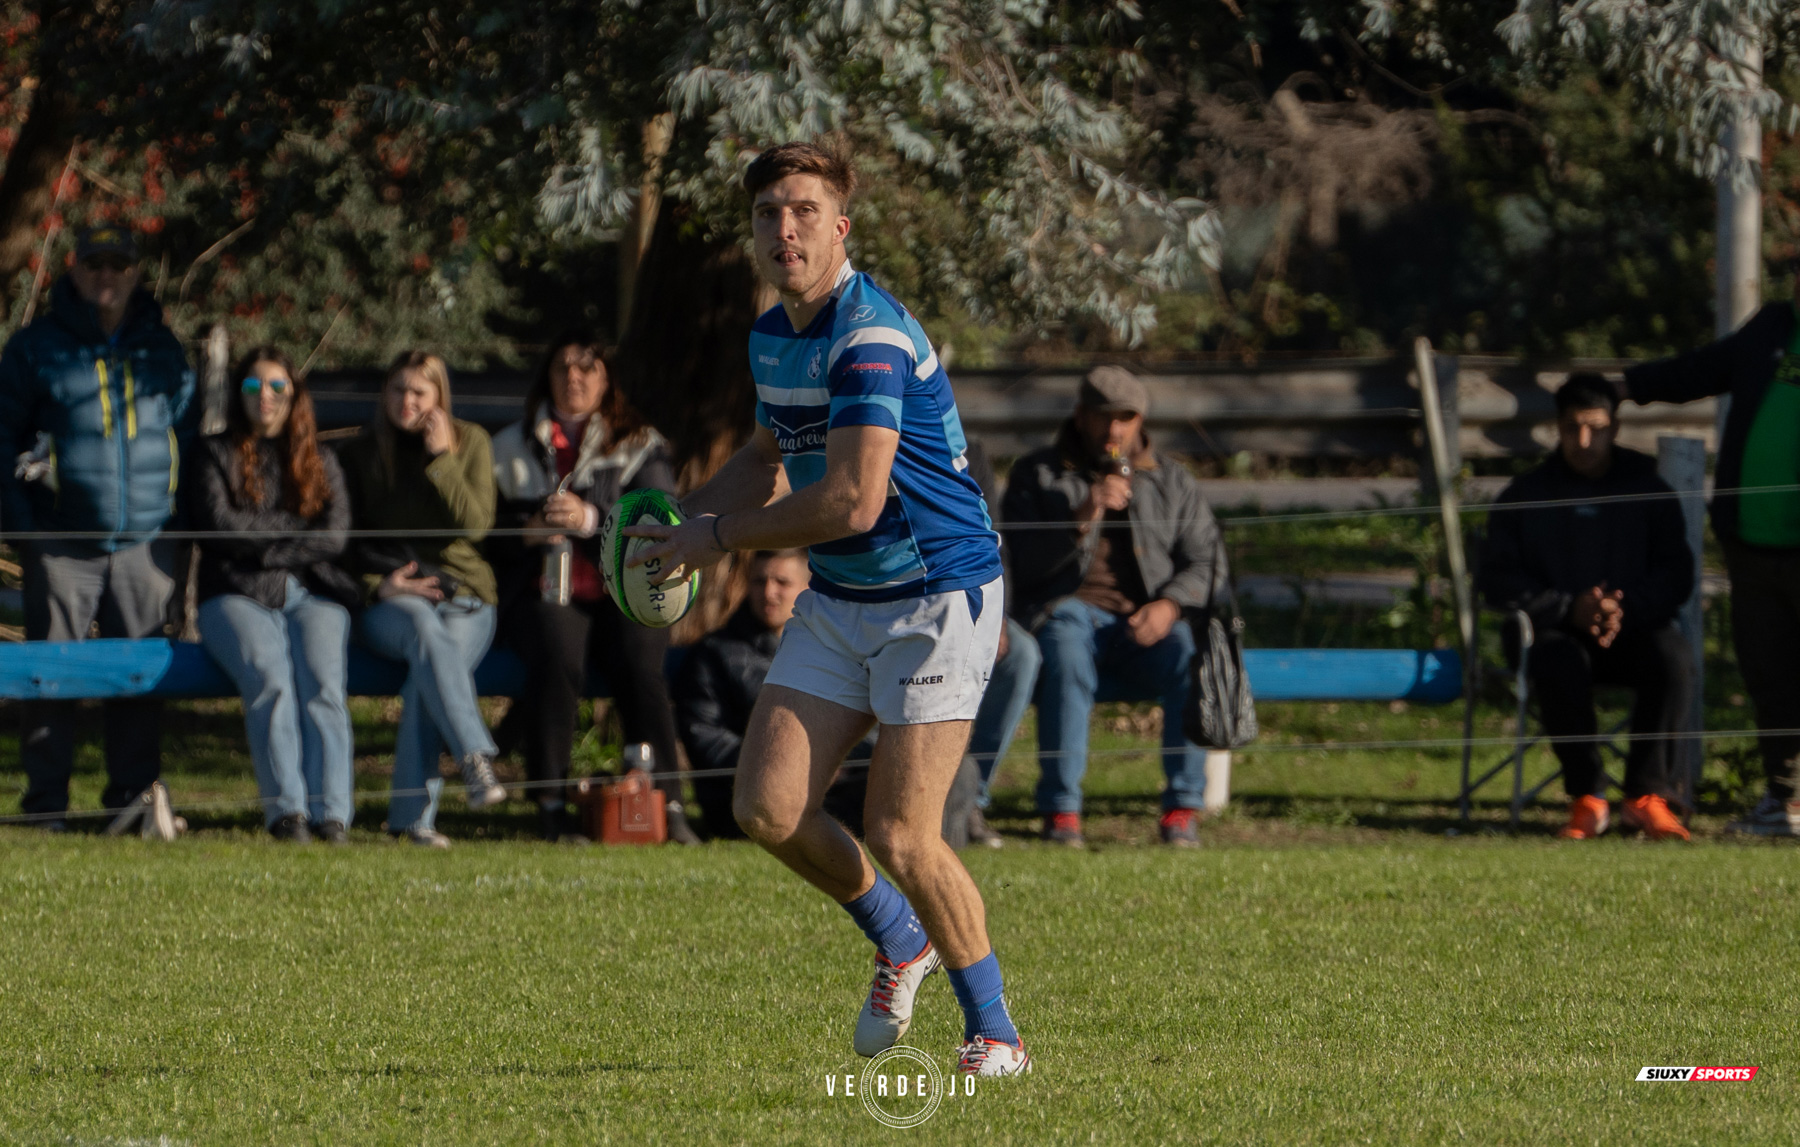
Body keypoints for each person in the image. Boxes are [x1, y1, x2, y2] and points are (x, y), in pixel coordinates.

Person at [624, 142, 1028, 1076]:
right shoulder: (776, 332)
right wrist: (678, 521)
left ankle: (996, 1031)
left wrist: (717, 541)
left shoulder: (870, 334)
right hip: (845, 595)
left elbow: (853, 500)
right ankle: (901, 941)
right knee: (764, 807)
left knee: (901, 831)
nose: (785, 228)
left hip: (936, 594)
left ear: (840, 226)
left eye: (804, 210)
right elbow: (772, 449)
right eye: (768, 213)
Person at [0, 226, 196, 830]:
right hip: (61, 541)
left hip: (145, 541)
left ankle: (132, 801)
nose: (106, 276)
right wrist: (26, 529)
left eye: (119, 265)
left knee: (137, 674)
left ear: (137, 272)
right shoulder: (36, 346)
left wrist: (177, 526)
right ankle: (46, 806)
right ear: (75, 269)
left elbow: (184, 438)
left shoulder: (162, 348)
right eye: (95, 265)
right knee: (49, 674)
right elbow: (2, 437)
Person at [1000, 365, 1228, 848]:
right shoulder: (1037, 474)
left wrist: (1170, 605)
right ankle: (1062, 811)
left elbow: (1209, 560)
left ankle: (1182, 809)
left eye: (1126, 418)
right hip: (1066, 611)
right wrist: (1084, 513)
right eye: (1105, 416)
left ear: (1141, 420)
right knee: (1065, 642)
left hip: (1144, 622)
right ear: (1081, 416)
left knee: (1190, 653)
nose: (1115, 430)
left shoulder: (1171, 481)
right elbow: (1015, 562)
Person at [489, 331, 698, 844]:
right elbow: (484, 531)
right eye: (563, 368)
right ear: (547, 378)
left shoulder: (638, 443)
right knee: (557, 658)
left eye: (587, 369)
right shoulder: (510, 445)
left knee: (639, 662)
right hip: (544, 589)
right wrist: (528, 530)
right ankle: (551, 802)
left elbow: (661, 518)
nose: (574, 378)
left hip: (624, 591)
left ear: (606, 381)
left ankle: (666, 802)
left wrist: (592, 517)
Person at [1477, 373, 1696, 841]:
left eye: (1596, 427)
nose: (1584, 440)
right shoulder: (1525, 495)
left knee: (1673, 657)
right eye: (1574, 427)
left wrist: (1625, 606)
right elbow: (1496, 579)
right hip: (1550, 633)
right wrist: (1563, 607)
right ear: (1556, 427)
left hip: (1629, 629)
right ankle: (1588, 797)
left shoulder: (1648, 490)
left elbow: (1676, 575)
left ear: (1615, 427)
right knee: (1559, 661)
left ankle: (1646, 796)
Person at [1621, 291, 1800, 835]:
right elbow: (1706, 368)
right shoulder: (1774, 326)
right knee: (1769, 674)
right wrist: (1629, 387)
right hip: (1751, 542)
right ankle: (1787, 800)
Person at [193, 348, 361, 844]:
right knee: (271, 680)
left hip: (313, 594)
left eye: (276, 386)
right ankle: (288, 814)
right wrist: (293, 532)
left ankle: (332, 816)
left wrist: (262, 546)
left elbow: (334, 536)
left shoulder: (320, 459)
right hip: (233, 594)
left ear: (294, 394)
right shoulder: (212, 453)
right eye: (252, 387)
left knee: (324, 687)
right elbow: (221, 529)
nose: (263, 397)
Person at [338, 351, 503, 848]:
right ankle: (475, 757)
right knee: (427, 636)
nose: (407, 401)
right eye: (397, 390)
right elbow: (340, 543)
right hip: (392, 598)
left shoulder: (470, 441)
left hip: (465, 596)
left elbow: (475, 524)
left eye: (419, 392)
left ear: (439, 398)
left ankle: (412, 823)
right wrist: (379, 587)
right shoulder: (362, 454)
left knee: (424, 681)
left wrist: (442, 457)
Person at [673, 548, 873, 840]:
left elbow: (871, 727)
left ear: (808, 588)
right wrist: (788, 767)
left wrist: (835, 761)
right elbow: (704, 737)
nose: (768, 593)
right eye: (759, 581)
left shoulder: (840, 651)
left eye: (782, 582)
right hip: (745, 802)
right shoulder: (712, 654)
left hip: (841, 794)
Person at [960, 437, 1040, 848]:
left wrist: (997, 616)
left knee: (1020, 655)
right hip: (895, 599)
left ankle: (970, 796)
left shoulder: (968, 451)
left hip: (965, 598)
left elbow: (990, 539)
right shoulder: (869, 434)